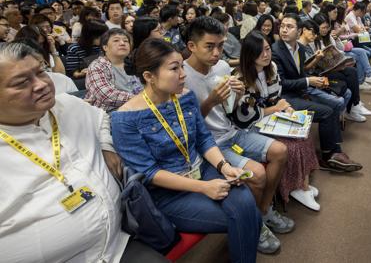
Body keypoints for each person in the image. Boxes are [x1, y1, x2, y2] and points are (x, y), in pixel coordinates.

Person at [0, 42, 169, 263]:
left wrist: (107, 146)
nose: (41, 84)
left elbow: (103, 118)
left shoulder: (67, 105)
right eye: (22, 82)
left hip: (115, 247)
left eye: (41, 71)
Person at [111, 39, 260, 263]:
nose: (183, 74)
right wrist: (203, 187)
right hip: (168, 193)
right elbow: (150, 174)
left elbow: (203, 139)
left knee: (248, 208)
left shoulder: (186, 97)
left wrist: (225, 166)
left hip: (203, 170)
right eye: (174, 69)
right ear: (149, 76)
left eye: (182, 66)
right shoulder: (125, 119)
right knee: (246, 217)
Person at [183, 16, 294, 254]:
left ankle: (262, 213)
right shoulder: (182, 77)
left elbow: (235, 111)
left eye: (221, 46)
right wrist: (212, 100)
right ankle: (254, 223)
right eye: (210, 46)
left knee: (281, 151)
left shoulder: (223, 67)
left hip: (234, 132)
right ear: (192, 46)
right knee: (257, 173)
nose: (217, 53)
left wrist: (242, 94)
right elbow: (189, 127)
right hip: (210, 144)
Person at [233, 31, 321, 210]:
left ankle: (300, 185)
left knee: (303, 133)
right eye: (260, 52)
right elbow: (244, 117)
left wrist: (285, 109)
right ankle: (295, 188)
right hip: (249, 127)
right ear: (249, 54)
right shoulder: (240, 78)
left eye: (267, 49)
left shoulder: (271, 67)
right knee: (292, 145)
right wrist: (276, 108)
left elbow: (275, 97)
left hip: (267, 118)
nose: (266, 55)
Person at [272, 13, 363, 172]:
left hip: (299, 91)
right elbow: (282, 83)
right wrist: (309, 82)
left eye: (290, 26)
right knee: (327, 111)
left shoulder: (299, 48)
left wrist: (311, 82)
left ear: (299, 30)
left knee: (334, 105)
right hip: (283, 98)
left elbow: (300, 73)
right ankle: (328, 157)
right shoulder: (276, 51)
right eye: (282, 26)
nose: (284, 30)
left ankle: (335, 150)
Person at [85, 29, 142, 112]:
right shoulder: (97, 66)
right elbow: (107, 95)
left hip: (138, 107)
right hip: (110, 113)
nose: (122, 43)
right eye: (116, 40)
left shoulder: (135, 63)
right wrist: (142, 98)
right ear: (105, 47)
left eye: (126, 41)